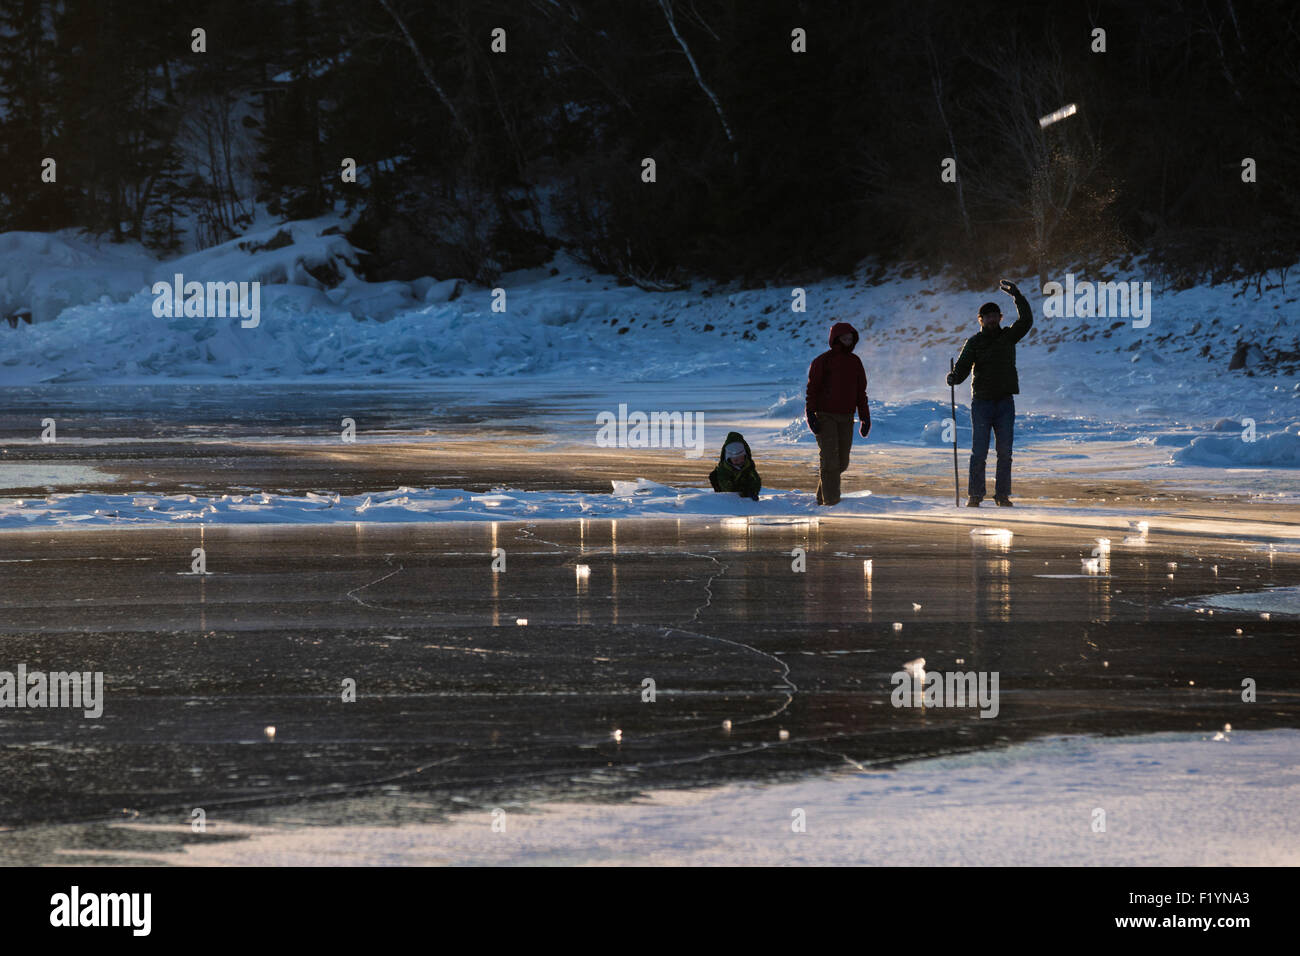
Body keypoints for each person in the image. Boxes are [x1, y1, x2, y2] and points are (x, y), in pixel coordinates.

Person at [946, 279, 1034, 507]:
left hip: (1005, 401)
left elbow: (1026, 321)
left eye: (996, 315)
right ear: (981, 320)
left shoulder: (1008, 337)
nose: (992, 319)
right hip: (982, 403)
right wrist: (955, 376)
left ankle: (1002, 495)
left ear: (999, 318)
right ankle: (975, 495)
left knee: (1005, 452)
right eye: (988, 316)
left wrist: (1017, 296)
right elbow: (964, 365)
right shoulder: (974, 342)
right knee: (979, 452)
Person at [805, 321, 870, 506]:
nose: (848, 341)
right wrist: (810, 414)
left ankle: (821, 497)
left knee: (842, 462)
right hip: (825, 415)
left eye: (850, 338)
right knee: (830, 459)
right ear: (835, 339)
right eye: (844, 338)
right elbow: (812, 390)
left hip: (846, 417)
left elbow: (861, 392)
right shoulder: (822, 361)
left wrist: (865, 417)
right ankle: (831, 502)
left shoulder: (855, 362)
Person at [708, 432, 761, 500]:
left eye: (741, 459)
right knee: (714, 475)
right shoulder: (724, 469)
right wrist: (738, 491)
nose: (739, 462)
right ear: (729, 458)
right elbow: (725, 485)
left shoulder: (748, 466)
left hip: (747, 494)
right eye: (736, 460)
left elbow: (756, 481)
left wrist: (753, 491)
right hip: (728, 495)